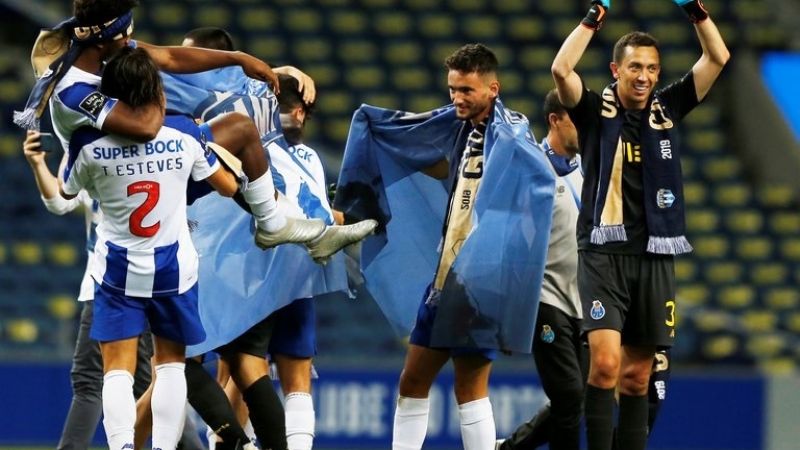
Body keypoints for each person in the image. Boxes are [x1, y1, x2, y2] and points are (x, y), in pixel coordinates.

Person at [551, 1, 729, 449]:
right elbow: (561, 69)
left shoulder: (667, 108)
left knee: (636, 377)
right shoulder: (594, 111)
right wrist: (594, 17)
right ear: (616, 69)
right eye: (635, 67)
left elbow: (717, 58)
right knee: (605, 366)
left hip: (655, 255)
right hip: (603, 255)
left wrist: (696, 12)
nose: (644, 76)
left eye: (651, 68)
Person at [16, 0, 326, 251]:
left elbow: (169, 58)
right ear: (103, 41)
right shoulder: (73, 92)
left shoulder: (98, 50)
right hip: (124, 172)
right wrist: (158, 91)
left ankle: (293, 224)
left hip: (136, 160)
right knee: (228, 147)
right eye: (125, 34)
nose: (129, 40)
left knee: (237, 141)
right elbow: (147, 128)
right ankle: (299, 224)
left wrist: (236, 58)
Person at [58, 46, 240, 450]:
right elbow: (228, 187)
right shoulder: (183, 131)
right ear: (155, 88)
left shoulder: (87, 142)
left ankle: (123, 445)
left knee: (116, 371)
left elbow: (66, 191)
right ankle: (162, 446)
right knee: (171, 365)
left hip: (118, 269)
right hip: (173, 267)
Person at [22, 130, 155, 450]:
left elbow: (59, 202)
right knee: (151, 385)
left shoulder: (88, 148)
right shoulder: (165, 145)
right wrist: (39, 164)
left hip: (107, 283)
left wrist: (39, 163)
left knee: (91, 382)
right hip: (158, 282)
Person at [496, 89, 586, 450]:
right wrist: (506, 312)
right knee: (569, 394)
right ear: (555, 120)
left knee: (575, 399)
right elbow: (510, 240)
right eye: (578, 120)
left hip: (586, 302)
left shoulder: (590, 168)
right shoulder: (533, 169)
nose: (586, 128)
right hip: (544, 298)